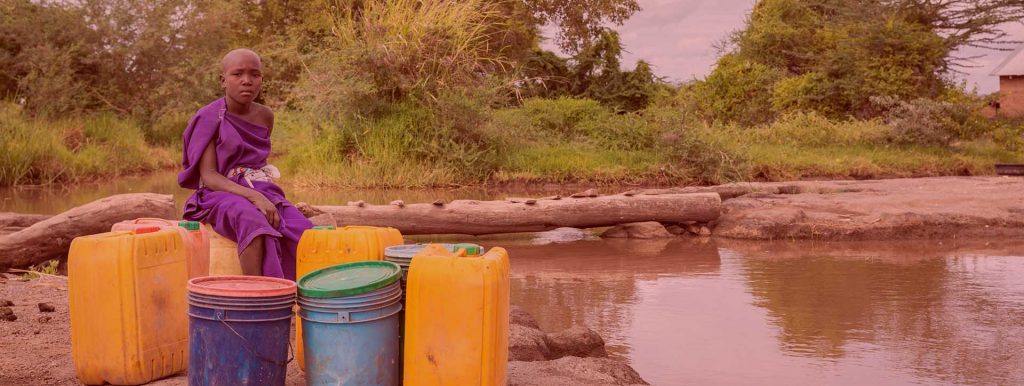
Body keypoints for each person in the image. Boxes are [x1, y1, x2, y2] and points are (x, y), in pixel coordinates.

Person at [178, 48, 312, 280]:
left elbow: (256, 163)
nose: (247, 81)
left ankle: (299, 296)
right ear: (223, 80)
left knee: (302, 229)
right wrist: (254, 198)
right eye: (237, 74)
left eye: (254, 74)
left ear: (261, 79)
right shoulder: (208, 117)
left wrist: (261, 195)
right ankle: (258, 296)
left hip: (259, 187)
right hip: (218, 193)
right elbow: (209, 176)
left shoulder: (265, 116)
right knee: (252, 221)